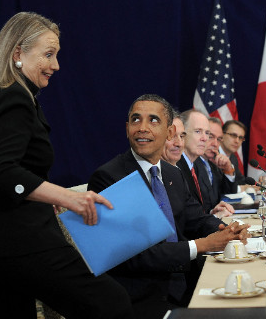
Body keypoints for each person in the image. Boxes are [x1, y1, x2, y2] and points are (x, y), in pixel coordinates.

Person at [0, 12, 133, 318]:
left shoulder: (0, 99)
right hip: (12, 240)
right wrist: (68, 197)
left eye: (57, 55)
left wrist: (41, 196)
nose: (56, 65)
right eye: (48, 55)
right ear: (17, 54)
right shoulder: (14, 100)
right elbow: (2, 171)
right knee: (110, 304)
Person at [87, 94, 249, 318]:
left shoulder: (172, 173)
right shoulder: (110, 177)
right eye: (135, 120)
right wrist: (202, 245)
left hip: (182, 285)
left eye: (153, 120)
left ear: (169, 132)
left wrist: (228, 231)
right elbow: (134, 256)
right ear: (127, 129)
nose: (142, 128)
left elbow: (196, 218)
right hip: (137, 298)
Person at [177, 109, 236, 215]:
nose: (205, 138)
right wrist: (213, 218)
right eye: (198, 131)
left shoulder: (212, 164)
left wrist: (212, 213)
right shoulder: (176, 167)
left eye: (207, 133)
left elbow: (228, 196)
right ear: (182, 134)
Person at [221, 119, 248, 184]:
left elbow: (241, 181)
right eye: (233, 135)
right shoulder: (211, 156)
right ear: (222, 135)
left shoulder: (233, 158)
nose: (237, 141)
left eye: (240, 137)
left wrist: (257, 184)